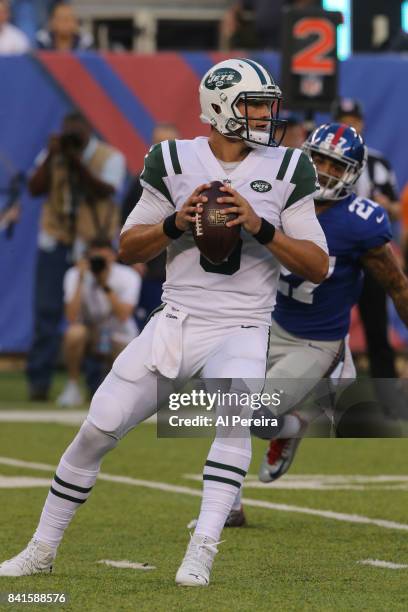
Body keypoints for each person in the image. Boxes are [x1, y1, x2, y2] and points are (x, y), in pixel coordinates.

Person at [0, 58, 329, 586]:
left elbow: (318, 264)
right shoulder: (173, 159)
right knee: (97, 429)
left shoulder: (290, 168)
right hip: (175, 319)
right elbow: (129, 246)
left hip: (243, 325)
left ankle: (202, 550)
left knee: (232, 423)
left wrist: (261, 227)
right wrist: (177, 221)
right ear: (220, 108)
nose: (267, 115)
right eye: (253, 104)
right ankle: (41, 549)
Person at [226, 123, 408, 527]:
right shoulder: (275, 196)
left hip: (316, 341)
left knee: (257, 419)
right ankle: (229, 506)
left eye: (334, 164)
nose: (323, 170)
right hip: (266, 323)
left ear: (352, 173)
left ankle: (293, 426)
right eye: (319, 159)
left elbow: (396, 285)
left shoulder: (360, 222)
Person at [26, 111, 126, 401]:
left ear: (88, 131)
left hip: (91, 244)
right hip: (55, 241)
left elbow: (104, 190)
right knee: (46, 312)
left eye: (76, 132)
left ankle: (97, 383)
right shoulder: (53, 154)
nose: (72, 137)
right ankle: (39, 381)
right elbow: (34, 188)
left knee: (98, 314)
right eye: (67, 131)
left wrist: (75, 160)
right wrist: (51, 157)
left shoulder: (109, 156)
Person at [332, 98, 402, 417]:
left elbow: (397, 210)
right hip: (334, 252)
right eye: (343, 120)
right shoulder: (321, 160)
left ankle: (387, 400)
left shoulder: (377, 162)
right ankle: (330, 400)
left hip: (369, 252)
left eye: (353, 120)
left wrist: (382, 206)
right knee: (327, 327)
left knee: (377, 327)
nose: (350, 126)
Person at [57, 239, 142, 407]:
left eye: (104, 259)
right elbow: (71, 317)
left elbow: (124, 315)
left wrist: (104, 284)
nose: (100, 263)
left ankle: (126, 397)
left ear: (113, 257)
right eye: (95, 259)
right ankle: (72, 387)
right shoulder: (75, 274)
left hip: (119, 335)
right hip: (91, 334)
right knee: (74, 333)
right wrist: (81, 280)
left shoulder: (128, 276)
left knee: (129, 369)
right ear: (86, 258)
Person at [121, 124, 180, 325]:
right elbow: (123, 222)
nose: (163, 149)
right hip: (151, 271)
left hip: (180, 272)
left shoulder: (190, 181)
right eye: (158, 144)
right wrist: (136, 260)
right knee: (148, 325)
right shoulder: (141, 182)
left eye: (168, 144)